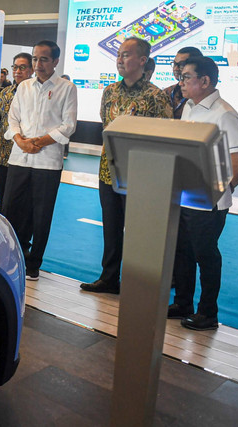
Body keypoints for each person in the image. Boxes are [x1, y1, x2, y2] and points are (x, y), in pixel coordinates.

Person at [80, 37, 172, 294]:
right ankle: (109, 278)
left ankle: (137, 283)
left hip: (140, 176)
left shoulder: (156, 96)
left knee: (138, 233)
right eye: (119, 54)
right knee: (111, 228)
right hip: (108, 171)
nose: (120, 59)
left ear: (143, 61)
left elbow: (166, 139)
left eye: (127, 55)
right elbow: (104, 125)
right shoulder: (109, 92)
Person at [168, 56, 238, 330]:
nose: (181, 82)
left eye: (186, 77)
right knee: (182, 253)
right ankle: (183, 303)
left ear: (205, 81)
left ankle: (208, 313)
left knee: (205, 255)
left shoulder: (224, 114)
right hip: (185, 195)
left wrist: (219, 192)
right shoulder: (189, 107)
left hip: (209, 201)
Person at [1, 40, 78, 281]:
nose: (38, 64)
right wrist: (21, 141)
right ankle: (10, 256)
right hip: (19, 157)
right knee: (11, 209)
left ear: (55, 61)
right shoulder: (23, 87)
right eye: (35, 59)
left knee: (41, 214)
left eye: (44, 59)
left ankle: (34, 263)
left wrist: (40, 141)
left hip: (47, 161)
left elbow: (68, 125)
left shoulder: (67, 88)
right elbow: (12, 119)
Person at [0, 52, 33, 210]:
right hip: (4, 157)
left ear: (32, 70)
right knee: (3, 203)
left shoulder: (36, 93)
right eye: (15, 67)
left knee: (22, 206)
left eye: (22, 68)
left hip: (25, 158)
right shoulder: (5, 93)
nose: (18, 71)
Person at [164, 46, 203, 119]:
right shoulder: (166, 92)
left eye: (181, 65)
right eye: (175, 64)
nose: (175, 69)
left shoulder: (201, 97)